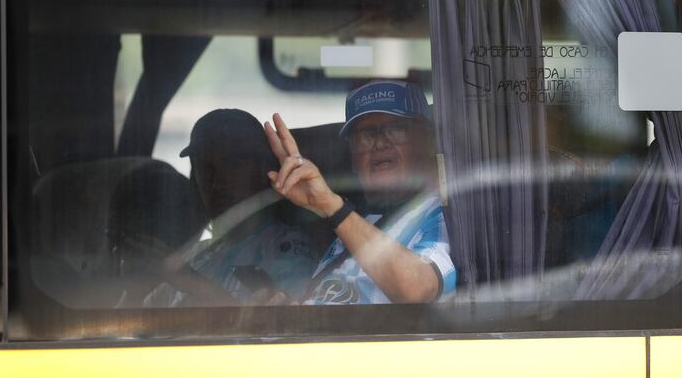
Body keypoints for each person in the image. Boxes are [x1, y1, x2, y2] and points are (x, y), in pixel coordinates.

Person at [264, 80, 456, 304]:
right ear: (354, 158)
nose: (380, 144)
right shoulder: (355, 226)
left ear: (428, 142)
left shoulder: (443, 216)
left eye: (396, 129)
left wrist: (331, 206)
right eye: (366, 136)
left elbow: (418, 288)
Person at [142, 109, 318, 307]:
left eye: (230, 165)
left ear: (262, 170)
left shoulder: (289, 251)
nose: (217, 182)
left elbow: (287, 326)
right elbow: (136, 323)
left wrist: (195, 286)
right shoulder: (195, 255)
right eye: (205, 168)